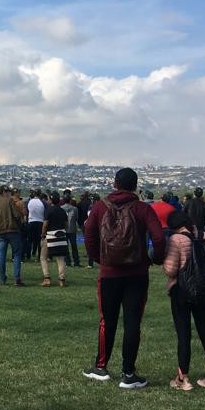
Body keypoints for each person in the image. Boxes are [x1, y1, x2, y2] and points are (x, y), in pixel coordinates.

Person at [83, 167, 166, 389]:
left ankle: (101, 367)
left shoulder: (100, 206)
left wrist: (100, 258)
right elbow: (158, 237)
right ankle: (128, 373)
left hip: (109, 274)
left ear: (115, 184)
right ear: (135, 186)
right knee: (132, 322)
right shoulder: (142, 209)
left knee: (106, 321)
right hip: (137, 274)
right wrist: (153, 259)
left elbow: (89, 232)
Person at [161, 210, 205, 391]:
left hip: (182, 290)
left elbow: (171, 270)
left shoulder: (176, 240)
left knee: (183, 333)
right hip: (204, 290)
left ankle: (183, 377)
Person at [0, 186, 26, 286]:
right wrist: (20, 224)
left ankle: (2, 279)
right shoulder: (9, 201)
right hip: (12, 230)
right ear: (5, 192)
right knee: (17, 254)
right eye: (8, 191)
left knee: (1, 256)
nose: (10, 193)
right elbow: (17, 215)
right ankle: (17, 279)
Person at [40, 191, 68, 287]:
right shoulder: (62, 211)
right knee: (60, 259)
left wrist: (43, 235)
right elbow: (66, 225)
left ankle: (47, 278)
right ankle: (62, 280)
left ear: (51, 200)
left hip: (50, 237)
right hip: (61, 236)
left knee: (43, 257)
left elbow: (45, 224)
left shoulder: (49, 210)